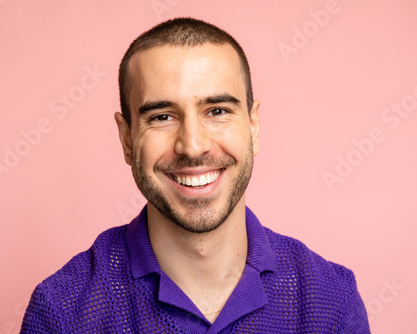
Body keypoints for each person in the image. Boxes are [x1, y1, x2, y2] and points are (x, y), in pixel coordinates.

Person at [21, 17, 371, 333]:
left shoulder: (331, 300)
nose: (192, 146)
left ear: (253, 125)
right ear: (127, 138)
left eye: (217, 111)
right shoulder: (62, 312)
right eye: (161, 116)